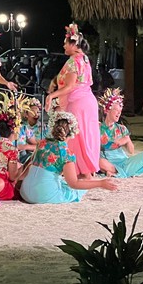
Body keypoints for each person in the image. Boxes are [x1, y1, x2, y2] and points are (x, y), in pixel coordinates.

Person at [20, 111, 117, 204]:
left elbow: (29, 164)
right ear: (73, 132)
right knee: (75, 192)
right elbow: (74, 183)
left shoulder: (42, 143)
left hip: (25, 192)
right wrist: (100, 183)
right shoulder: (66, 153)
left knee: (63, 182)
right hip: (42, 195)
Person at [44, 23, 100, 179]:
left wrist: (51, 96)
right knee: (85, 136)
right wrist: (54, 81)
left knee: (74, 136)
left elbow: (69, 86)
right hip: (88, 100)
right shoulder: (85, 59)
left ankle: (78, 172)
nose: (63, 46)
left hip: (77, 102)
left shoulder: (73, 61)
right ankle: (86, 171)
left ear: (74, 45)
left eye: (65, 43)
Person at [98, 88, 143, 178]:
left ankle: (117, 172)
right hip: (106, 161)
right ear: (107, 110)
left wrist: (127, 140)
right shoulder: (97, 127)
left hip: (122, 161)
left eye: (120, 111)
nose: (118, 114)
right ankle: (120, 172)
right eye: (116, 110)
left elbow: (131, 151)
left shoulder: (122, 128)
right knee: (99, 162)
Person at [17, 97, 46, 164]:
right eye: (33, 112)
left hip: (26, 156)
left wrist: (26, 147)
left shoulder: (25, 128)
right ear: (26, 114)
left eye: (38, 112)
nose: (36, 114)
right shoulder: (23, 126)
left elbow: (41, 145)